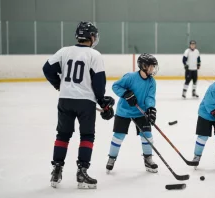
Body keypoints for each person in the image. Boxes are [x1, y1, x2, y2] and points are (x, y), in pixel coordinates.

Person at [43, 21, 115, 189]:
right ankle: (82, 173)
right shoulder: (94, 55)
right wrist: (103, 104)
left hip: (65, 100)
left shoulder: (64, 51)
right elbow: (98, 84)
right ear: (91, 37)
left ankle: (56, 171)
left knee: (62, 135)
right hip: (86, 102)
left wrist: (58, 85)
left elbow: (47, 69)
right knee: (87, 136)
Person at [105, 53, 159, 173]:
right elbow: (116, 86)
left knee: (147, 135)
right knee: (118, 136)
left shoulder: (151, 82)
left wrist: (151, 109)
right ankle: (111, 158)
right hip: (124, 111)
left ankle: (148, 159)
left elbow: (150, 97)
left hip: (140, 112)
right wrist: (126, 94)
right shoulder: (130, 77)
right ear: (144, 66)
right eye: (151, 66)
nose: (153, 69)